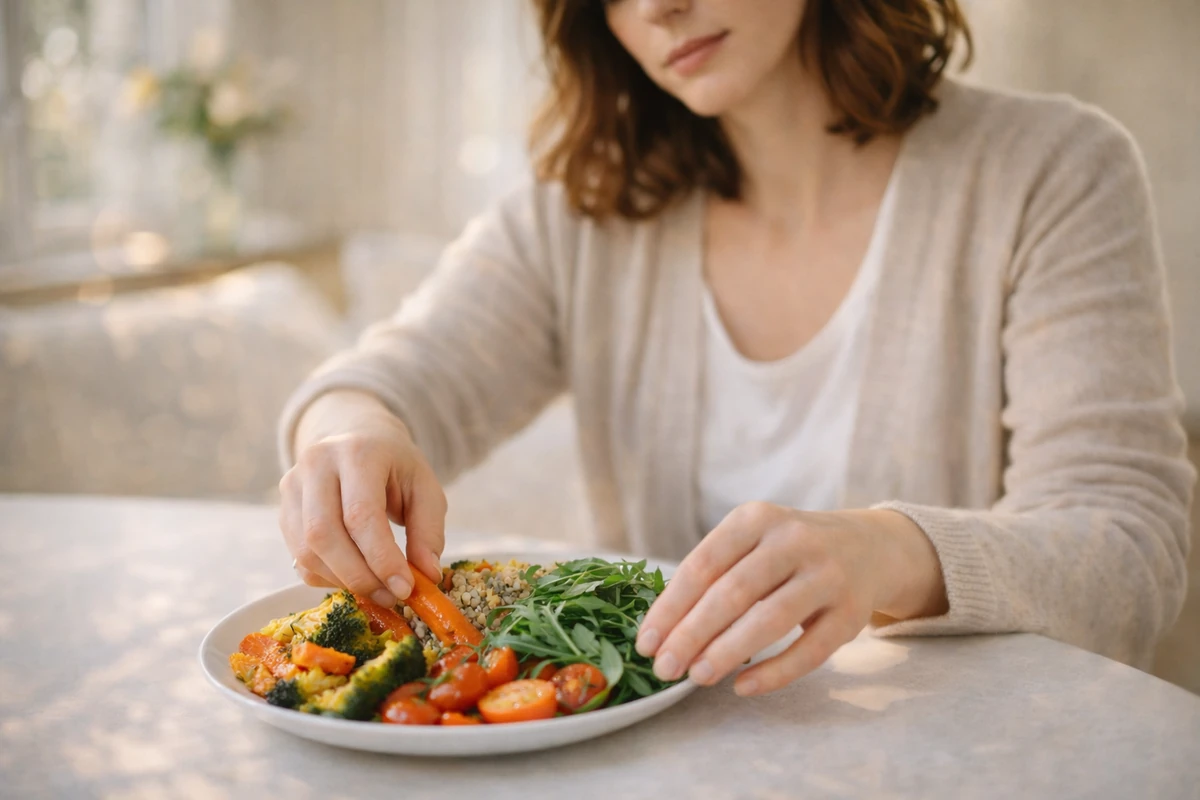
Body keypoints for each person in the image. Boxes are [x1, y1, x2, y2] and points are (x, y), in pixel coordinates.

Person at [275, 0, 1194, 696]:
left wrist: (888, 552)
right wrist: (347, 433)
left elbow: (1129, 550)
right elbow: (386, 380)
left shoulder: (1051, 171)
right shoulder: (583, 213)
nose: (656, 8)